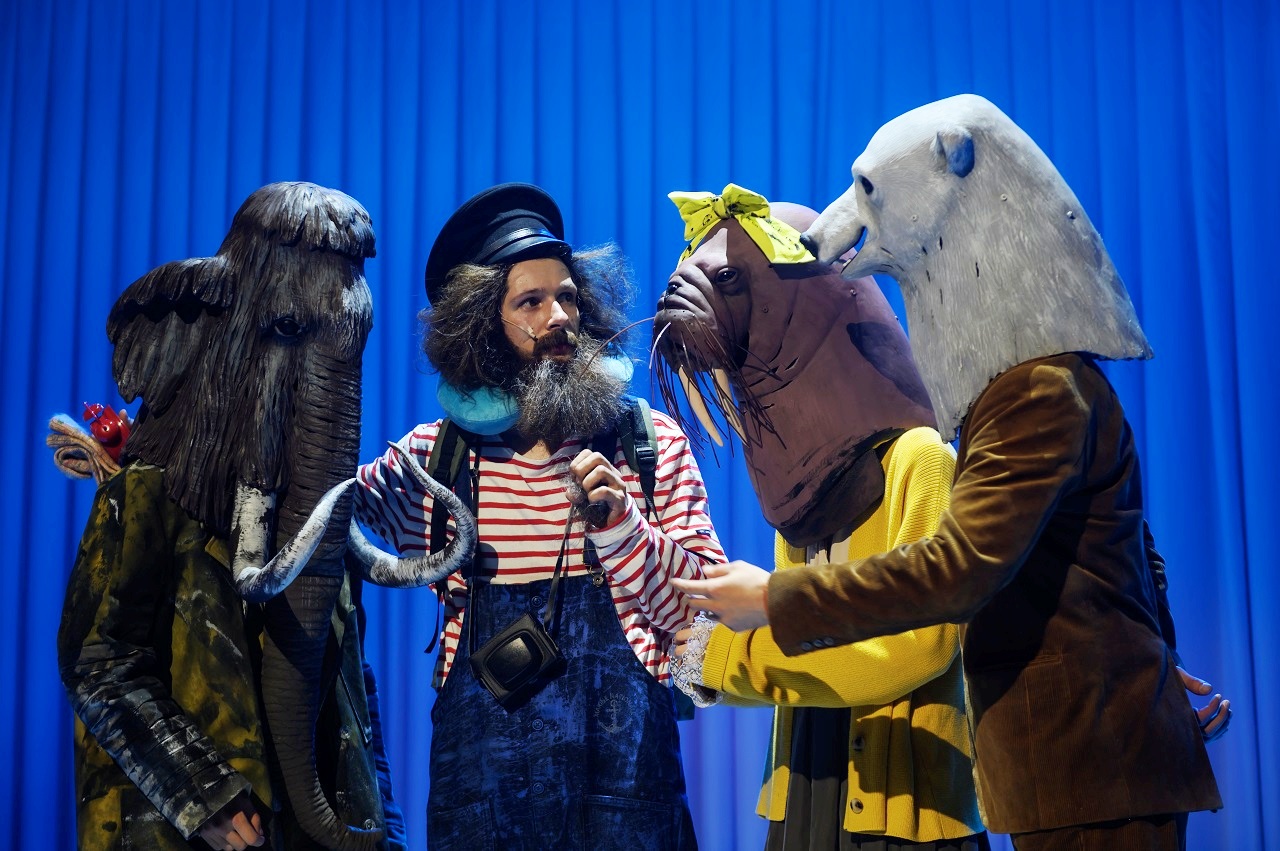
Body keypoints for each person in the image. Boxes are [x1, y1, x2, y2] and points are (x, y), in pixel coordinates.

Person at [670, 96, 1229, 850]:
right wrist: (1157, 654)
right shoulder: (1023, 393)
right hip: (1066, 766)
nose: (841, 222)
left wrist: (772, 602)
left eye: (869, 192)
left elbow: (956, 574)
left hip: (1091, 765)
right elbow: (1128, 546)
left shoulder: (1035, 392)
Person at [353, 182, 724, 849]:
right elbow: (320, 522)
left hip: (626, 816)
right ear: (483, 327)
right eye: (531, 301)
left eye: (568, 297)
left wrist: (623, 529)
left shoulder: (649, 444)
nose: (559, 318)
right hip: (484, 820)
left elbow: (709, 624)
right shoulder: (433, 462)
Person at [56, 182, 406, 851]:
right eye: (289, 331)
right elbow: (98, 661)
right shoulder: (145, 500)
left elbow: (353, 695)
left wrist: (380, 829)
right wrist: (203, 792)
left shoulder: (318, 521)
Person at [656, 186, 985, 850]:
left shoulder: (919, 460)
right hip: (805, 800)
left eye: (730, 281)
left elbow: (920, 647)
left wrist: (723, 658)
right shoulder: (798, 495)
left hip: (902, 813)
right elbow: (803, 643)